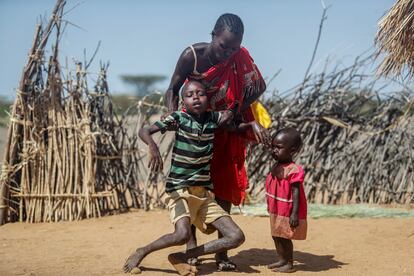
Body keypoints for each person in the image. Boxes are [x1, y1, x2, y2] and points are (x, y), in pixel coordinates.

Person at [164, 13, 268, 271]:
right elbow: (173, 88)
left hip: (227, 128)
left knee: (224, 185)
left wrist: (237, 108)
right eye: (224, 46)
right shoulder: (193, 56)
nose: (229, 53)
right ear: (213, 35)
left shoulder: (239, 58)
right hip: (197, 128)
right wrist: (173, 115)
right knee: (192, 185)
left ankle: (222, 252)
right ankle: (191, 248)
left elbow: (258, 86)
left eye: (234, 47)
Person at [124, 80, 253, 275]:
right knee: (182, 234)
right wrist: (152, 146)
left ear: (207, 98)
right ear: (183, 101)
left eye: (200, 93)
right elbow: (144, 130)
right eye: (190, 95)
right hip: (179, 189)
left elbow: (232, 123)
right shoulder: (179, 118)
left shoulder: (213, 118)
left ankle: (185, 255)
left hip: (202, 194)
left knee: (236, 236)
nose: (196, 98)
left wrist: (251, 123)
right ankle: (142, 251)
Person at [265, 128, 307, 273]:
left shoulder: (293, 170)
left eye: (279, 147)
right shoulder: (277, 165)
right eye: (273, 147)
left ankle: (289, 263)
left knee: (284, 236)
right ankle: (281, 259)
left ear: (292, 150)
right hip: (277, 208)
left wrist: (294, 213)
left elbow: (296, 194)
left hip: (287, 210)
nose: (275, 150)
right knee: (276, 235)